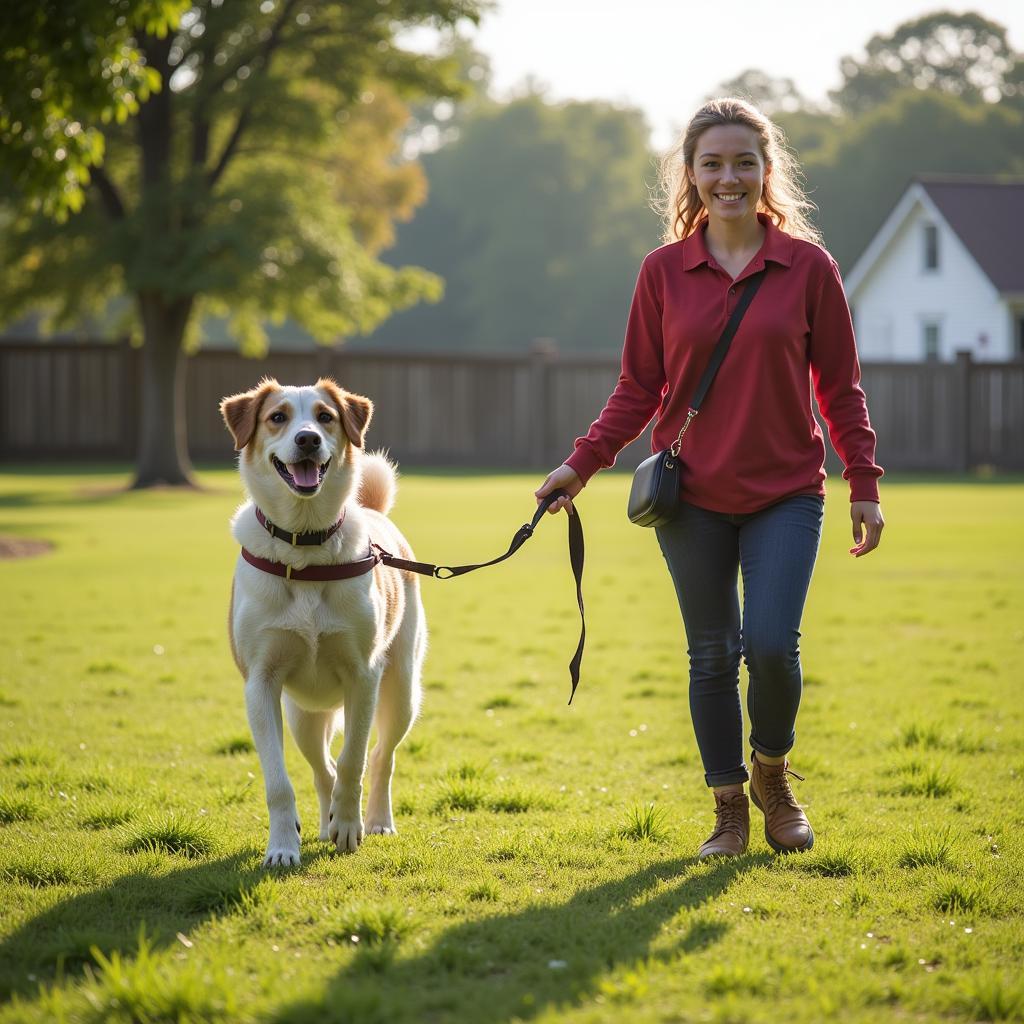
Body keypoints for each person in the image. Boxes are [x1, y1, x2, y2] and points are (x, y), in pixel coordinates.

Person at [535, 97, 884, 859]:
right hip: (689, 496)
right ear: (690, 176)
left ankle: (773, 774)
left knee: (770, 646)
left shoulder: (808, 267)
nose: (730, 178)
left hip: (787, 493)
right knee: (711, 654)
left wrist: (863, 481)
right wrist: (580, 464)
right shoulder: (663, 272)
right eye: (713, 164)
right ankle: (729, 807)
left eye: (744, 162)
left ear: (767, 172)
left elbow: (841, 386)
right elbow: (638, 389)